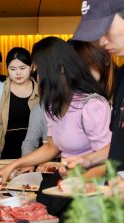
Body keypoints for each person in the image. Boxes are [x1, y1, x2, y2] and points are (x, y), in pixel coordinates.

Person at [0, 36, 112, 219]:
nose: (38, 77)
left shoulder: (92, 105)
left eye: (41, 71)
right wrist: (13, 165)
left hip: (90, 194)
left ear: (61, 69)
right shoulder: (52, 105)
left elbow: (109, 158)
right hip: (66, 185)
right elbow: (52, 146)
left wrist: (78, 179)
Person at [64, 0, 124, 173]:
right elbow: (119, 144)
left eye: (106, 29)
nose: (102, 41)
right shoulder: (121, 77)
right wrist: (87, 160)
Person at [0, 47, 39, 159]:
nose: (18, 73)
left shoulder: (41, 90)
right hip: (6, 150)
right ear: (7, 69)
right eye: (12, 69)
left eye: (22, 68)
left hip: (35, 151)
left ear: (31, 67)